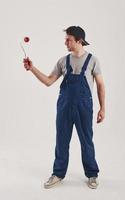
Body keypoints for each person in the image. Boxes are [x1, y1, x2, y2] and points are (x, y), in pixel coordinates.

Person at [23, 26, 105, 189]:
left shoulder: (93, 60)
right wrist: (31, 68)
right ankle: (58, 174)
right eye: (65, 39)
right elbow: (48, 81)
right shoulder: (63, 61)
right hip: (64, 106)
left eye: (68, 39)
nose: (65, 42)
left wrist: (102, 108)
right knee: (61, 141)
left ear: (79, 41)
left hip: (84, 106)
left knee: (86, 141)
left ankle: (92, 174)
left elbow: (101, 85)